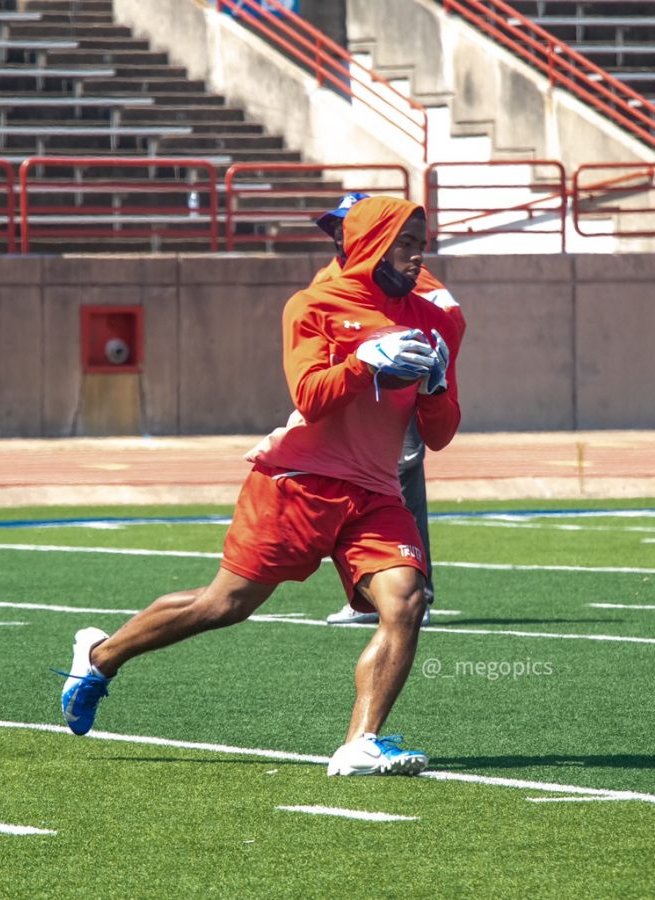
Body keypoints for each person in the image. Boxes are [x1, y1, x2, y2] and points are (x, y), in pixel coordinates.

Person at [58, 196, 461, 777]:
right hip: (299, 483)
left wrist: (437, 387)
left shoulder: (434, 318)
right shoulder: (314, 305)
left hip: (375, 492)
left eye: (422, 242)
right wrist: (363, 364)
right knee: (224, 605)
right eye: (406, 241)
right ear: (373, 242)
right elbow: (310, 397)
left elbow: (441, 434)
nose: (418, 253)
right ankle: (100, 657)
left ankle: (360, 743)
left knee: (407, 601)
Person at [313, 192, 467, 627]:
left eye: (347, 223)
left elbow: (447, 316)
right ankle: (368, 588)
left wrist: (427, 369)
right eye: (336, 226)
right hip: (350, 401)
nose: (340, 233)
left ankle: (412, 591)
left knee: (396, 478)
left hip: (395, 393)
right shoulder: (329, 276)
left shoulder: (405, 274)